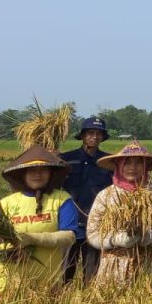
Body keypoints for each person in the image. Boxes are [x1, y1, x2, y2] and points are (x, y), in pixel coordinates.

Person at [0, 145, 79, 293]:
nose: (37, 174)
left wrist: (32, 238)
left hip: (47, 282)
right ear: (23, 174)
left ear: (51, 173)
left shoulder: (61, 200)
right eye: (32, 170)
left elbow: (69, 236)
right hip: (8, 284)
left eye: (43, 170)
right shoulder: (6, 203)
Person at [86, 141, 152, 285]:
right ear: (119, 166)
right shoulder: (107, 195)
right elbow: (92, 234)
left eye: (139, 163)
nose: (133, 168)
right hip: (113, 267)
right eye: (127, 163)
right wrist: (115, 240)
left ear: (146, 166)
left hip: (147, 265)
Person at [60, 116, 113, 284]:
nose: (94, 137)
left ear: (103, 137)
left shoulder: (108, 162)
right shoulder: (66, 159)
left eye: (98, 134)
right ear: (82, 136)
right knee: (65, 269)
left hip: (96, 222)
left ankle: (88, 303)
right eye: (90, 133)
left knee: (92, 270)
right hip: (70, 223)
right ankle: (64, 300)